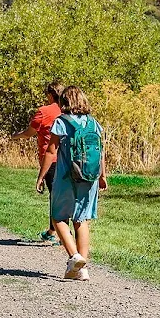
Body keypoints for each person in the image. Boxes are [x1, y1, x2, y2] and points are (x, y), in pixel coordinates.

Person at [37, 86, 107, 281]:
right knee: (81, 219)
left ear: (64, 102)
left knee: (58, 217)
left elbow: (51, 152)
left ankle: (74, 257)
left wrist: (41, 176)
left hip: (66, 177)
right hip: (89, 177)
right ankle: (82, 269)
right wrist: (102, 175)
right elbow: (100, 152)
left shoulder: (61, 122)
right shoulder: (94, 123)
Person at [12, 82, 64, 244]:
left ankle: (60, 234)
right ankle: (52, 231)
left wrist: (16, 135)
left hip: (51, 160)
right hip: (66, 159)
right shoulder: (67, 110)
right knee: (61, 196)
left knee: (55, 198)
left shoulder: (44, 111)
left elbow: (30, 132)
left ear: (50, 95)